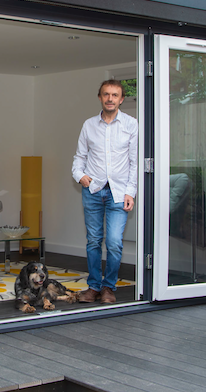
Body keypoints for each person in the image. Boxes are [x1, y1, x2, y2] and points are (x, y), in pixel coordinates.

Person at [71, 79, 138, 304]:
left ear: (121, 99)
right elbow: (79, 157)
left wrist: (131, 192)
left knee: (114, 242)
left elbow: (135, 162)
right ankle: (93, 287)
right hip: (93, 191)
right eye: (106, 94)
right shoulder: (88, 125)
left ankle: (109, 287)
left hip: (118, 193)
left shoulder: (131, 125)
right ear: (100, 97)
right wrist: (79, 175)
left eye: (115, 95)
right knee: (93, 241)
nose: (110, 98)